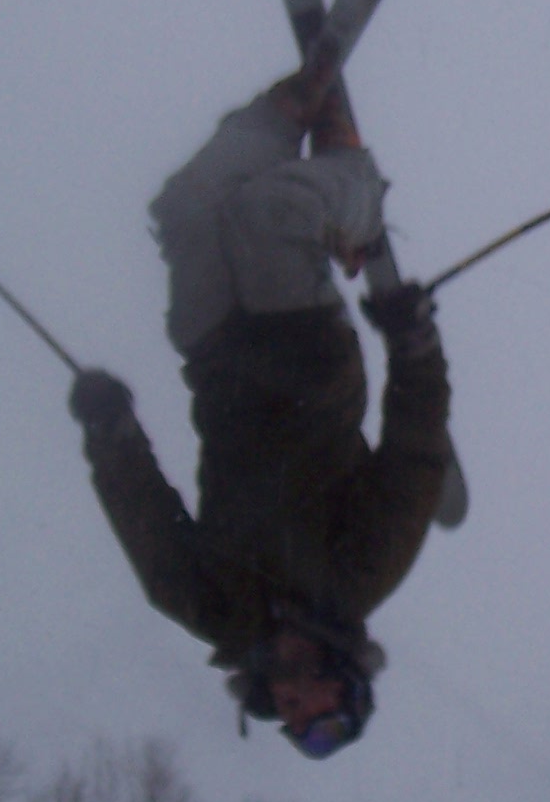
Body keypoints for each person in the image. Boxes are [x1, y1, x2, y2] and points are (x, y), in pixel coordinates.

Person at [66, 57, 452, 759]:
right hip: (304, 356)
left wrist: (109, 431)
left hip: (217, 361)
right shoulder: (360, 578)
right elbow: (414, 456)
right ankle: (356, 193)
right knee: (265, 215)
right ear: (348, 683)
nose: (298, 707)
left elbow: (145, 518)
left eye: (291, 720)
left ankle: (277, 120)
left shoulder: (218, 611)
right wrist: (413, 346)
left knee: (184, 211)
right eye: (324, 716)